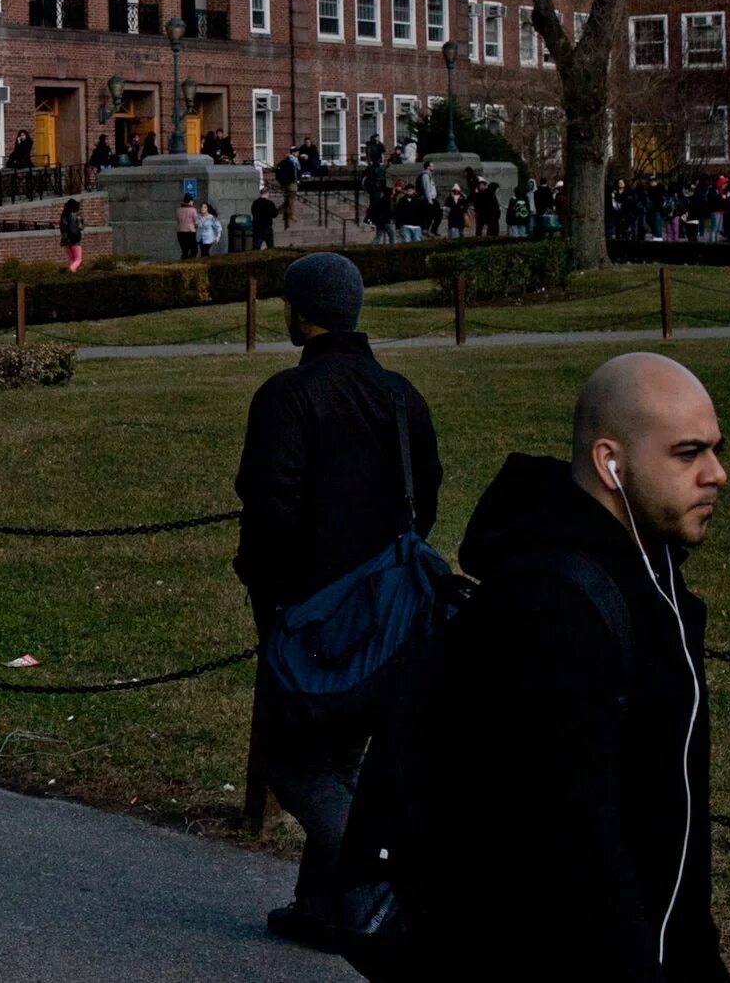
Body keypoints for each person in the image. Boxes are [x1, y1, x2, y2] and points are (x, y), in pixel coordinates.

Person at [418, 354, 729, 981]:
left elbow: (667, 819)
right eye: (688, 453)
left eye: (716, 450)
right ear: (609, 463)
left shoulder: (655, 577)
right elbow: (566, 847)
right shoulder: (549, 609)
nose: (717, 475)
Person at [231, 253, 442, 952]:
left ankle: (385, 876)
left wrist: (272, 598)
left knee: (293, 766)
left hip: (313, 609)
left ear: (301, 311)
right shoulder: (399, 394)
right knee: (342, 758)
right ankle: (320, 907)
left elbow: (269, 511)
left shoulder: (288, 398)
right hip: (386, 609)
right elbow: (427, 502)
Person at [60, 197, 85, 273]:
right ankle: (70, 270)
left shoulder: (63, 217)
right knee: (78, 259)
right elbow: (80, 228)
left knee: (72, 259)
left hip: (65, 242)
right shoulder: (76, 216)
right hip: (75, 241)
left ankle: (72, 274)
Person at [173, 194, 200, 260]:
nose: (193, 202)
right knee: (194, 250)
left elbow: (178, 221)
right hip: (190, 232)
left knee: (184, 251)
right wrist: (196, 227)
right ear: (190, 201)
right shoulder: (193, 210)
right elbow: (196, 222)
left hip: (180, 232)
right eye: (192, 201)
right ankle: (189, 263)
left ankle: (183, 264)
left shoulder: (178, 210)